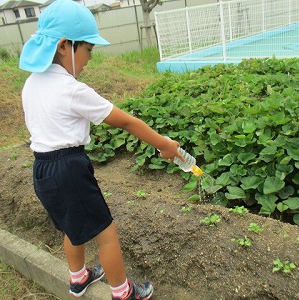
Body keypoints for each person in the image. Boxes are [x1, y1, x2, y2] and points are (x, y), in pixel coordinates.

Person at [19, 0, 184, 299]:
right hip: (68, 167)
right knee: (106, 235)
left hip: (41, 168)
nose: (90, 59)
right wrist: (165, 144)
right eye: (88, 50)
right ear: (64, 47)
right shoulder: (71, 89)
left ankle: (79, 277)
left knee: (72, 227)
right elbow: (126, 122)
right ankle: (123, 292)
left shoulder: (31, 83)